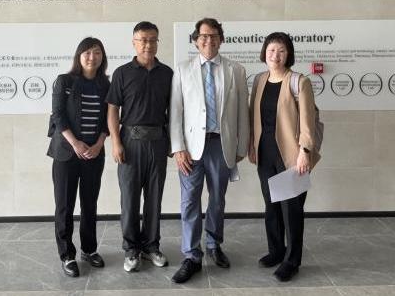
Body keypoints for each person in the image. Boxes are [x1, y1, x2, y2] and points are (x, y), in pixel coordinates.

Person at [169, 18, 250, 283]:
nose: (208, 40)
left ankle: (214, 245)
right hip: (191, 149)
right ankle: (192, 255)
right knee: (189, 200)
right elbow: (176, 111)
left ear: (221, 39)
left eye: (214, 36)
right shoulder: (183, 70)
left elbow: (243, 111)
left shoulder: (236, 70)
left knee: (217, 199)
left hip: (220, 145)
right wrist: (178, 148)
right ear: (195, 40)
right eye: (203, 36)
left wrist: (241, 145)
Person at [248, 32, 321, 282]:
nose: (275, 55)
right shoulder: (259, 80)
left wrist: (304, 152)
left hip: (291, 153)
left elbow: (308, 121)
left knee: (291, 209)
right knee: (271, 205)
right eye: (271, 50)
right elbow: (253, 115)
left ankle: (292, 260)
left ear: (288, 54)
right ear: (264, 53)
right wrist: (252, 145)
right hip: (265, 150)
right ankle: (276, 251)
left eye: (281, 51)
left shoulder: (299, 81)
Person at [106, 21, 173, 273]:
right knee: (130, 199)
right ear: (134, 43)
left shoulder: (167, 73)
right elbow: (113, 110)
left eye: (153, 40)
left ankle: (151, 246)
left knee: (154, 198)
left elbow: (174, 111)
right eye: (143, 40)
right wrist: (116, 142)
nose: (148, 45)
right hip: (130, 144)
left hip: (158, 143)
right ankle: (131, 249)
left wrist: (173, 143)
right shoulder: (122, 73)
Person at [47, 37, 110, 278]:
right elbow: (58, 115)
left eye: (97, 52)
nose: (92, 57)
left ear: (102, 57)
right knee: (65, 205)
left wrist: (99, 144)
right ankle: (67, 255)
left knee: (89, 204)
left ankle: (89, 250)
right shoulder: (65, 81)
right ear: (79, 56)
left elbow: (108, 119)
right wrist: (75, 143)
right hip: (66, 154)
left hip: (94, 153)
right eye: (87, 52)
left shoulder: (106, 85)